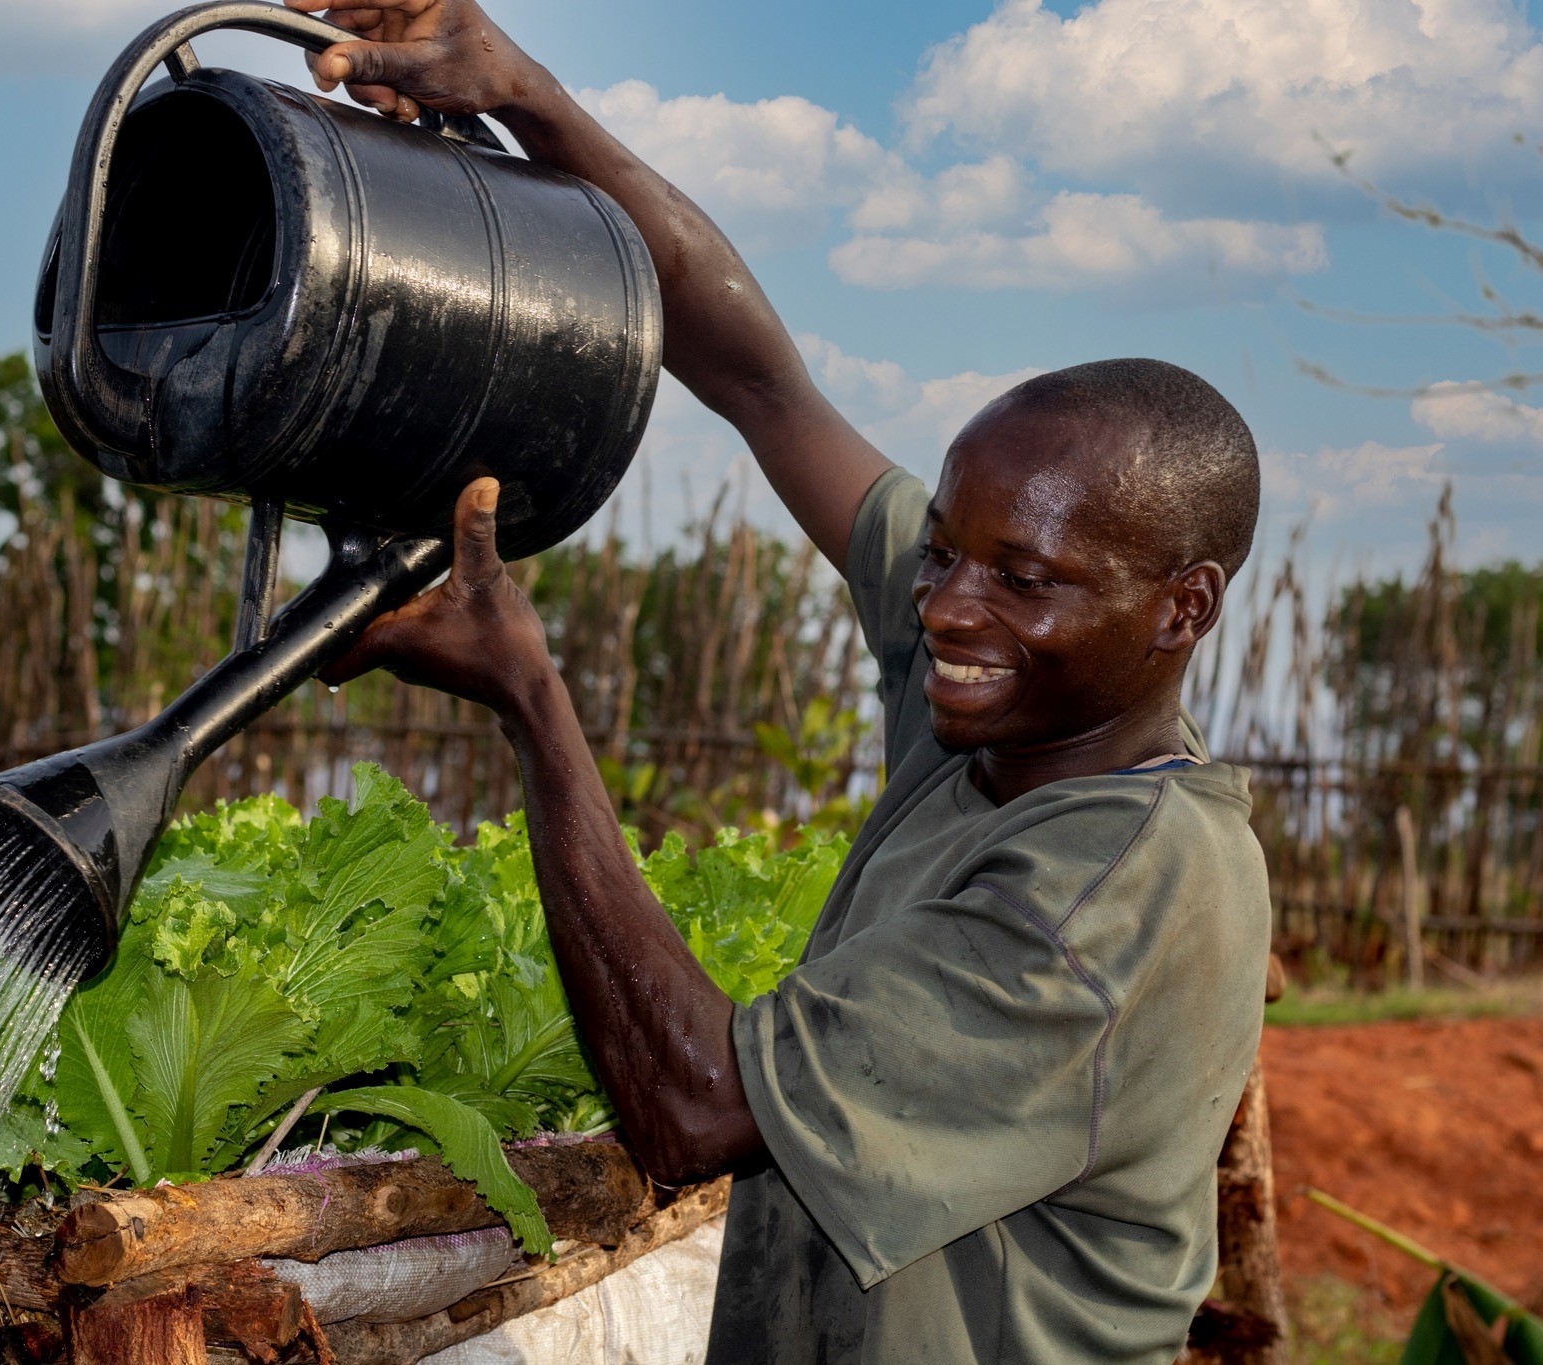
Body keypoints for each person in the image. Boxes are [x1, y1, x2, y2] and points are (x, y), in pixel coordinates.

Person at [297, 2, 1274, 1360]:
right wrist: (522, 91)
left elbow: (694, 1101)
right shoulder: (1009, 723)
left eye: (1021, 578)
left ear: (1185, 607)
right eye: (941, 551)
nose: (945, 607)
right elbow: (755, 376)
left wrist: (533, 701)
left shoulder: (1113, 891)